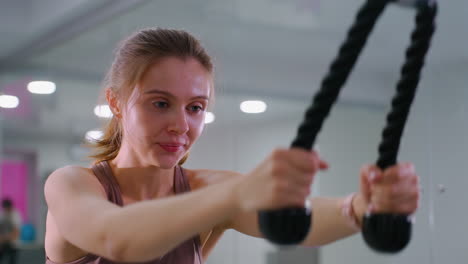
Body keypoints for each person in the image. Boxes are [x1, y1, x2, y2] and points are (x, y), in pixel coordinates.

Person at [44, 28, 420, 264]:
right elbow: (118, 238)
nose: (181, 125)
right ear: (115, 102)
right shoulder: (72, 185)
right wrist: (239, 193)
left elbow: (299, 222)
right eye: (160, 103)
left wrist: (361, 207)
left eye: (195, 108)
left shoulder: (205, 191)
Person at [0, 198, 21, 264]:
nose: (6, 210)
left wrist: (4, 238)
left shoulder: (16, 215)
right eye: (5, 208)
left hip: (13, 243)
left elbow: (16, 232)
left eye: (7, 208)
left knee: (12, 260)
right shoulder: (2, 214)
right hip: (3, 243)